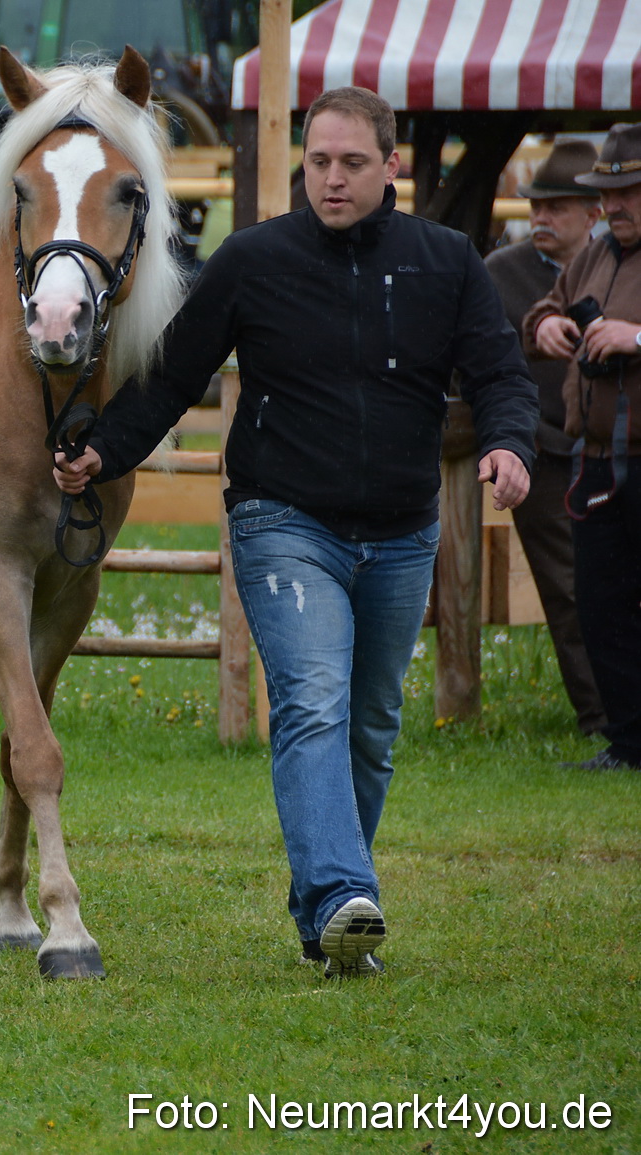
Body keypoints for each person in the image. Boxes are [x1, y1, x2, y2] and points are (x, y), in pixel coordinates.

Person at [55, 87, 538, 977]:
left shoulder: (446, 261)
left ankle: (326, 905)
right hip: (283, 518)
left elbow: (500, 371)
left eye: (352, 162)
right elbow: (169, 380)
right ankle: (349, 891)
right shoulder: (252, 260)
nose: (333, 178)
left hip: (400, 531)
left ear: (389, 165)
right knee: (313, 700)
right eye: (318, 161)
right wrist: (102, 452)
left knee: (371, 723)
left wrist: (509, 445)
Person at [523, 124, 641, 773]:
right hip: (595, 458)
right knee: (600, 602)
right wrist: (551, 325)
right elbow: (543, 306)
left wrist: (636, 336)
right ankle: (628, 741)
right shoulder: (595, 256)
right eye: (609, 190)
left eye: (628, 190)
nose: (616, 203)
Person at [484, 141, 607, 737]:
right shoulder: (499, 274)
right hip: (543, 455)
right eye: (535, 207)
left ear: (594, 213)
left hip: (617, 449)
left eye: (557, 208)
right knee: (567, 592)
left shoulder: (619, 267)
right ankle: (601, 719)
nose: (540, 219)